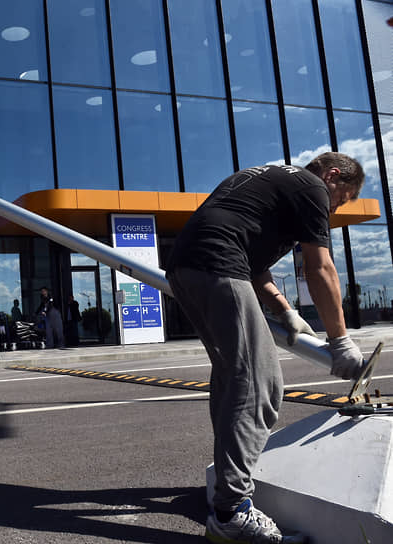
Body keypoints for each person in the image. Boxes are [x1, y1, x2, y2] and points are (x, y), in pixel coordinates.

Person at [165, 152, 366, 544]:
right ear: (333, 175)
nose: (335, 210)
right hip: (218, 265)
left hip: (186, 268)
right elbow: (319, 266)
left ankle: (228, 496)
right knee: (260, 383)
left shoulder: (271, 180)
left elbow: (256, 266)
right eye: (341, 199)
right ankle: (231, 512)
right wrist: (340, 340)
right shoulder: (311, 188)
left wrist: (285, 310)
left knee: (232, 380)